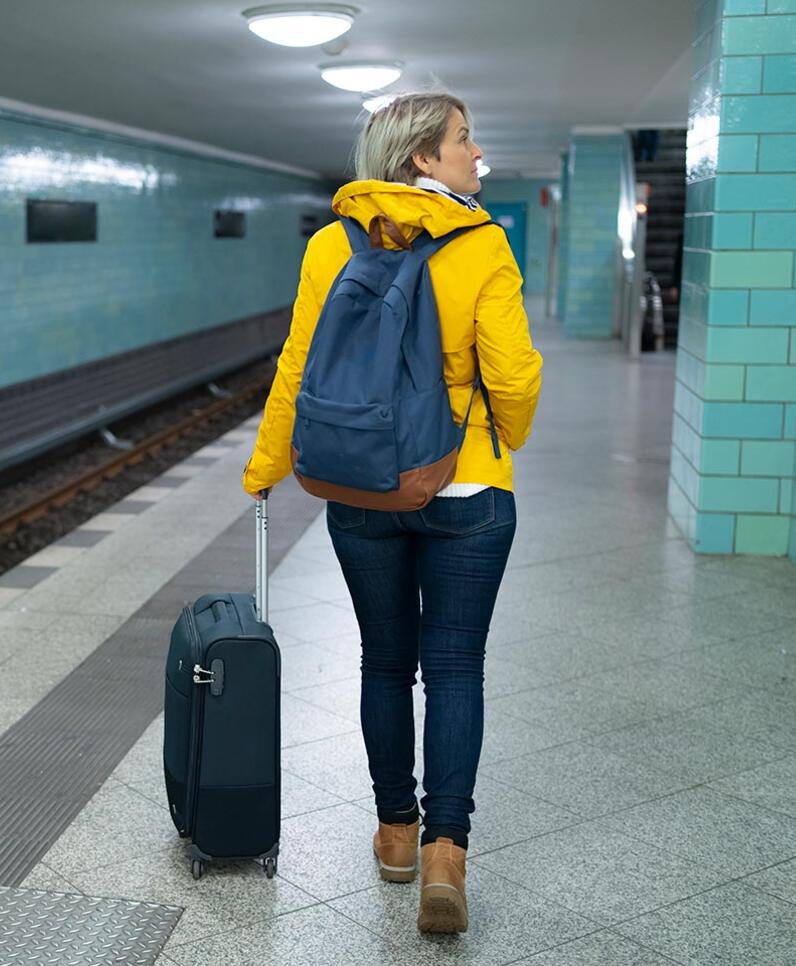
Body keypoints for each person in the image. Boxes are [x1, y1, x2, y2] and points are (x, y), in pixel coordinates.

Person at [242, 92, 542, 934]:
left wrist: (266, 467)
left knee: (384, 662)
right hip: (467, 486)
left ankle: (395, 834)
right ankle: (449, 854)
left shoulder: (330, 244)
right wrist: (499, 439)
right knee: (455, 668)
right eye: (464, 140)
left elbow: (298, 366)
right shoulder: (480, 244)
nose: (477, 155)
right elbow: (513, 376)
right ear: (420, 158)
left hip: (360, 489)